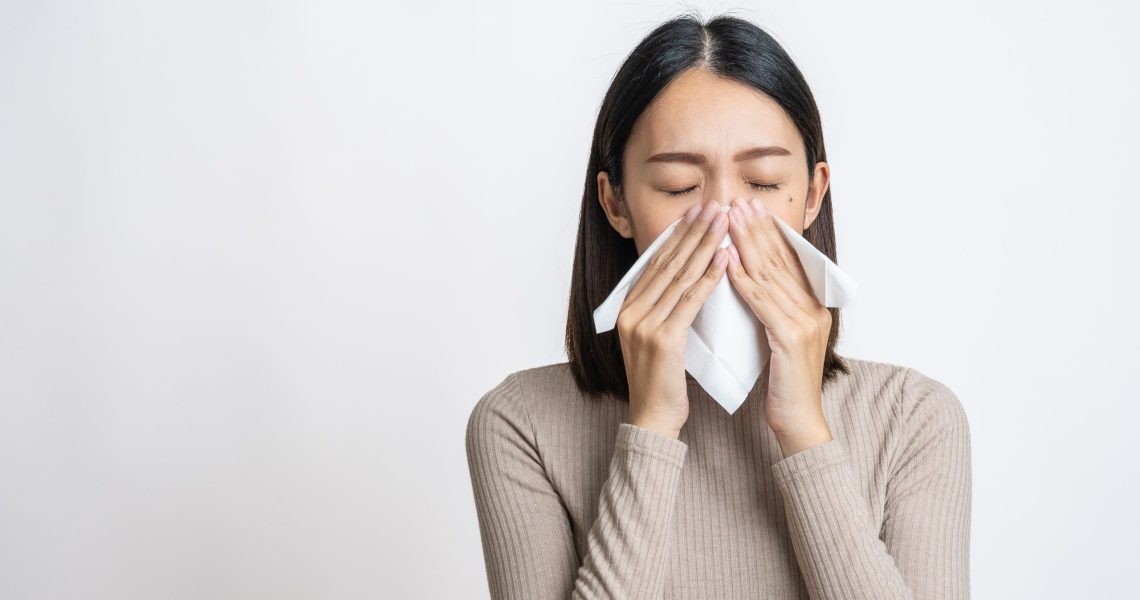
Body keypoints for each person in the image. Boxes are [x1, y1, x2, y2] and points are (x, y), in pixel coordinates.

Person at [465, 12, 971, 600]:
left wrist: (804, 431)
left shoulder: (912, 419)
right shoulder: (521, 423)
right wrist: (652, 427)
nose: (725, 220)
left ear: (811, 195)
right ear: (616, 204)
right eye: (679, 187)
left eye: (763, 182)